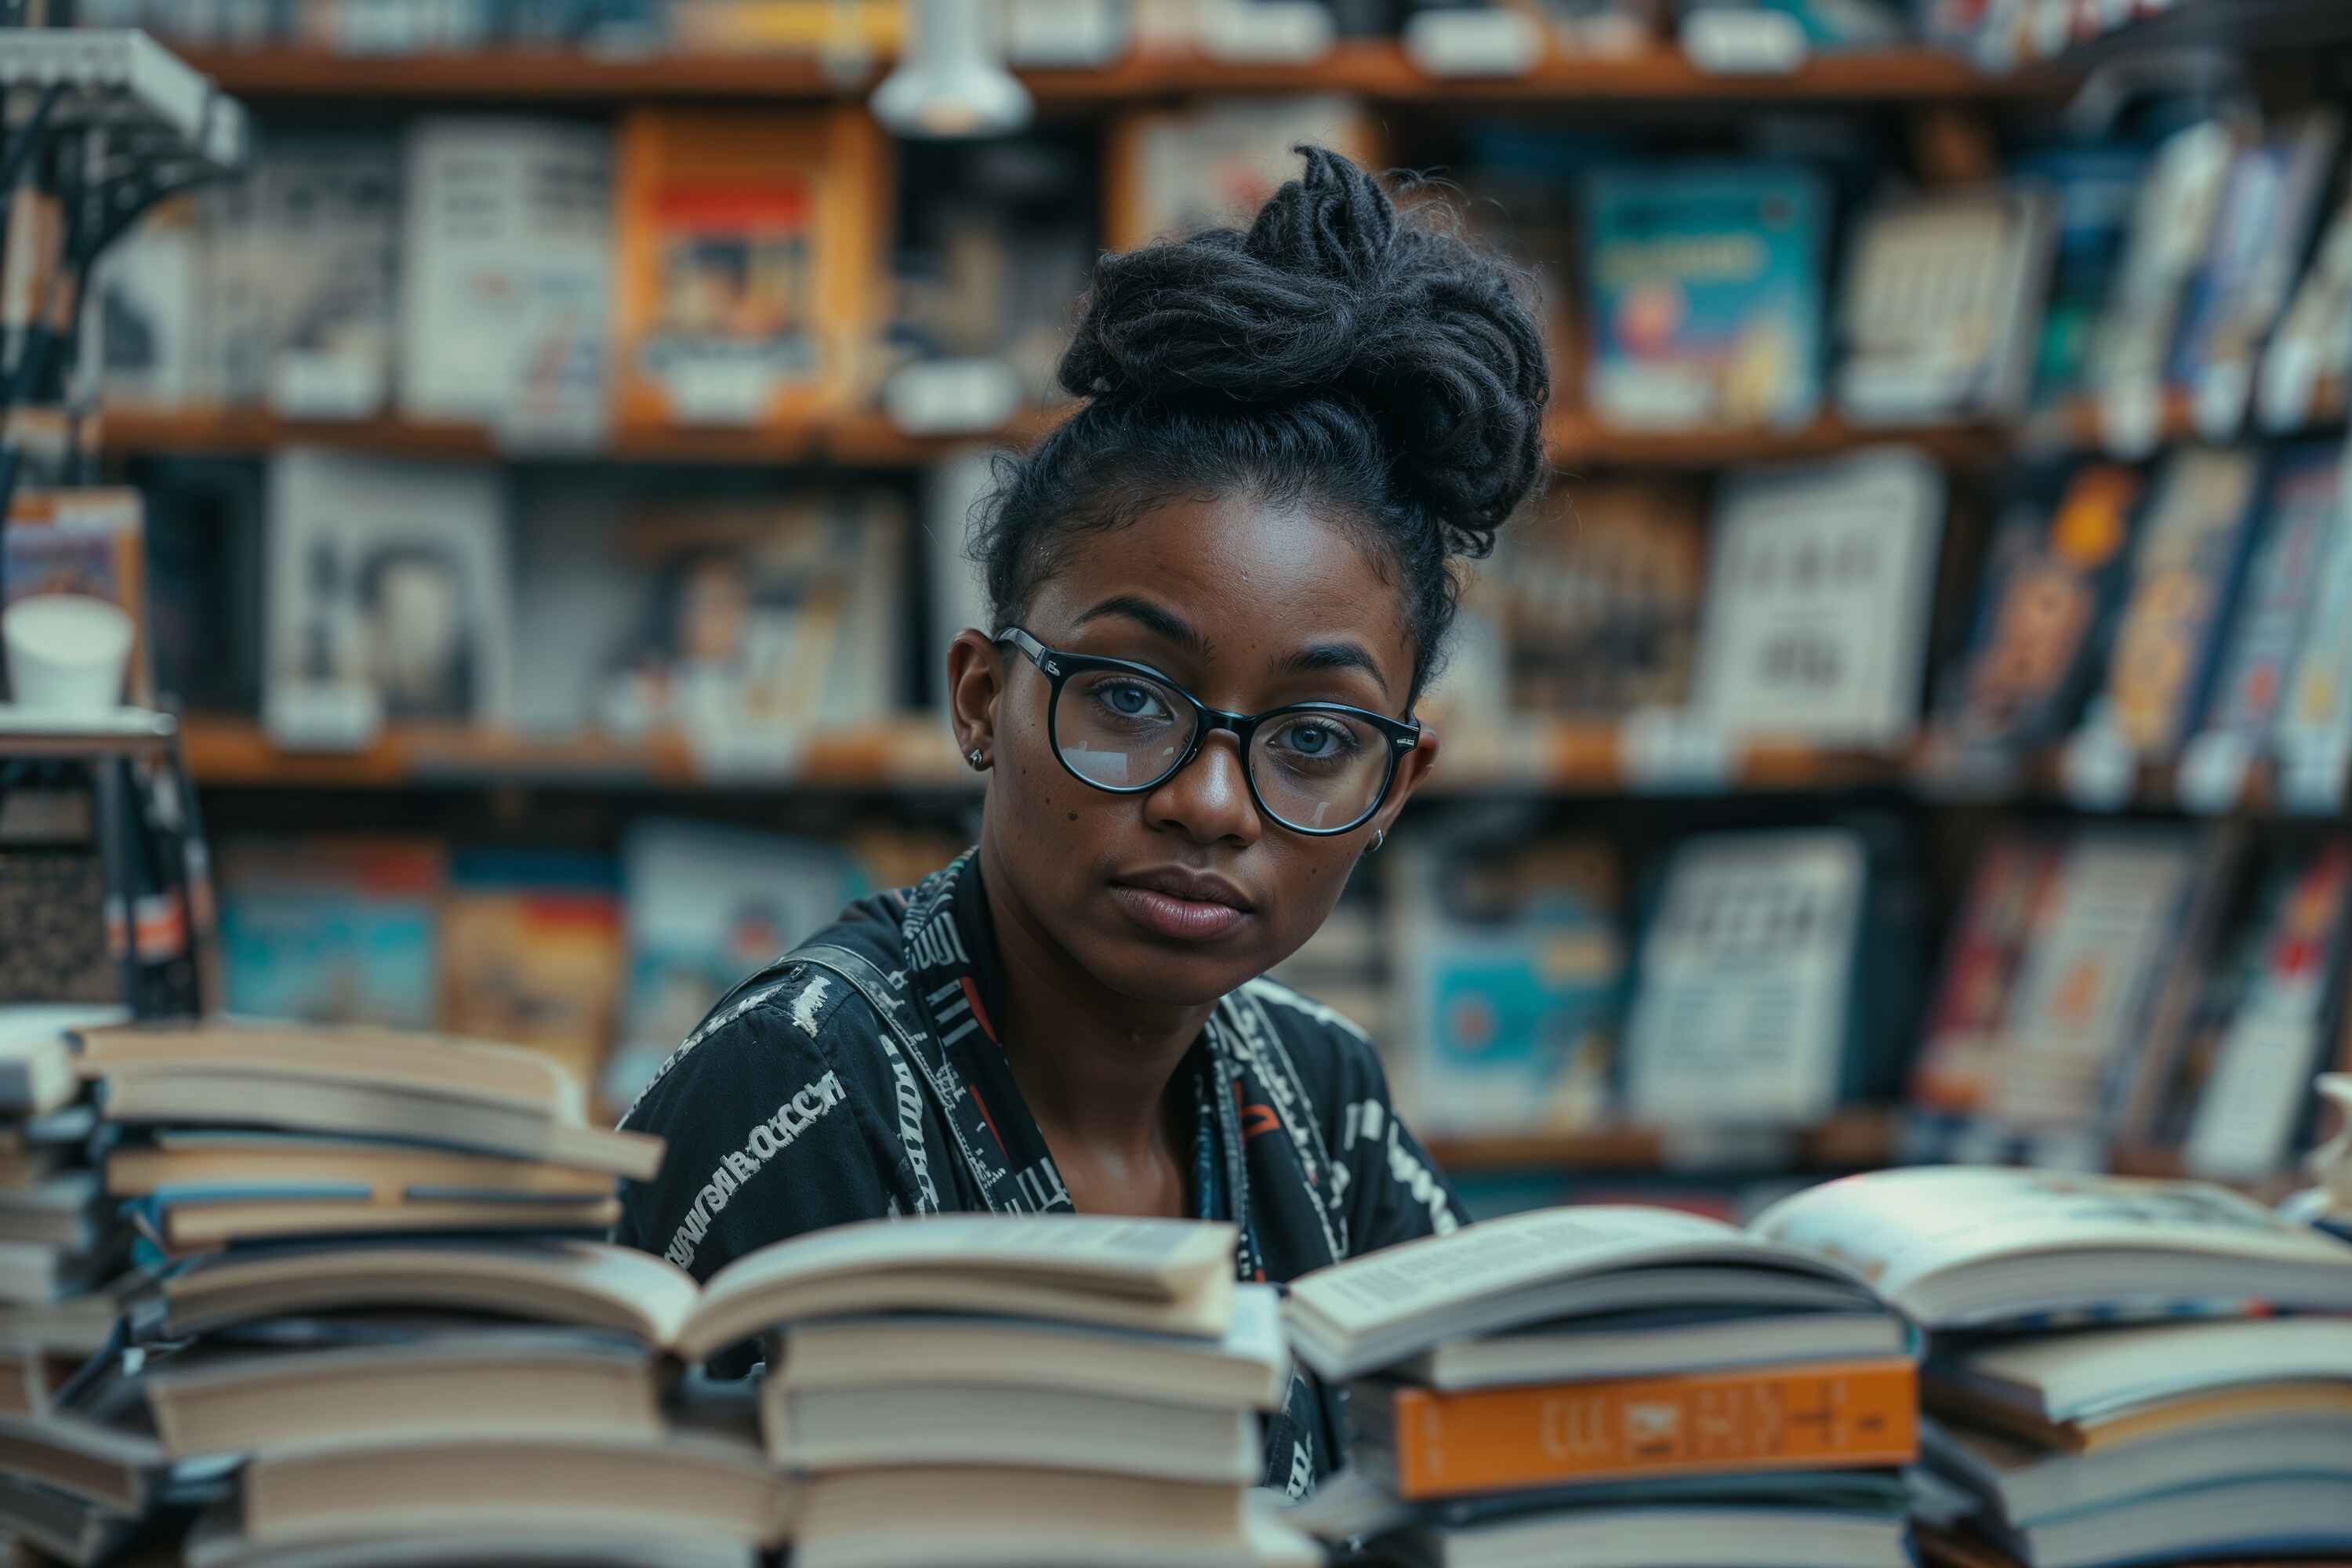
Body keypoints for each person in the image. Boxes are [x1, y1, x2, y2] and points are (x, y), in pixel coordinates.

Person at [612, 145, 1552, 1497]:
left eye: (1313, 740)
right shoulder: (808, 1094)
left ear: (1392, 791)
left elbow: (1473, 1491)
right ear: (984, 699)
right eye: (1127, 698)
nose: (1211, 803)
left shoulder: (1322, 1098)